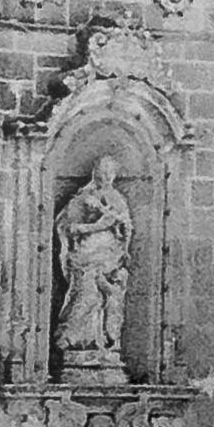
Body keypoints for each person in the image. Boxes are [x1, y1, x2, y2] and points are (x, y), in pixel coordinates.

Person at [53, 156, 135, 381]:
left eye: (110, 172)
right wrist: (97, 226)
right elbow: (68, 227)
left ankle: (104, 343)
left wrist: (121, 230)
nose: (106, 176)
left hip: (110, 258)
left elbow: (125, 228)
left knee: (107, 300)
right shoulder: (83, 198)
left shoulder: (117, 199)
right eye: (102, 171)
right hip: (85, 256)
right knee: (86, 296)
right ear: (95, 172)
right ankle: (75, 340)